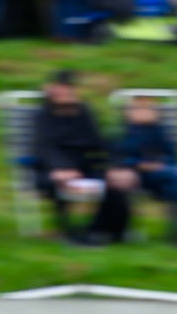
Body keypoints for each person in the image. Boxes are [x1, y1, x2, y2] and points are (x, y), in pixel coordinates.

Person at [31, 70, 133, 245]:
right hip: (51, 167)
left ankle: (105, 231)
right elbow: (44, 147)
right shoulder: (42, 115)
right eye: (60, 89)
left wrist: (116, 166)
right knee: (58, 183)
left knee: (114, 184)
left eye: (69, 89)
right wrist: (61, 168)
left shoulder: (84, 112)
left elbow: (100, 141)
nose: (66, 93)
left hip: (85, 165)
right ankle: (71, 232)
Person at [116, 95, 177, 244]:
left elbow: (174, 155)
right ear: (130, 113)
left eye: (149, 108)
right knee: (176, 178)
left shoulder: (159, 132)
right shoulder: (126, 134)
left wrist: (160, 163)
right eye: (140, 108)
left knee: (173, 178)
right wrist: (139, 164)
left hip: (161, 174)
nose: (146, 112)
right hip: (137, 176)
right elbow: (119, 158)